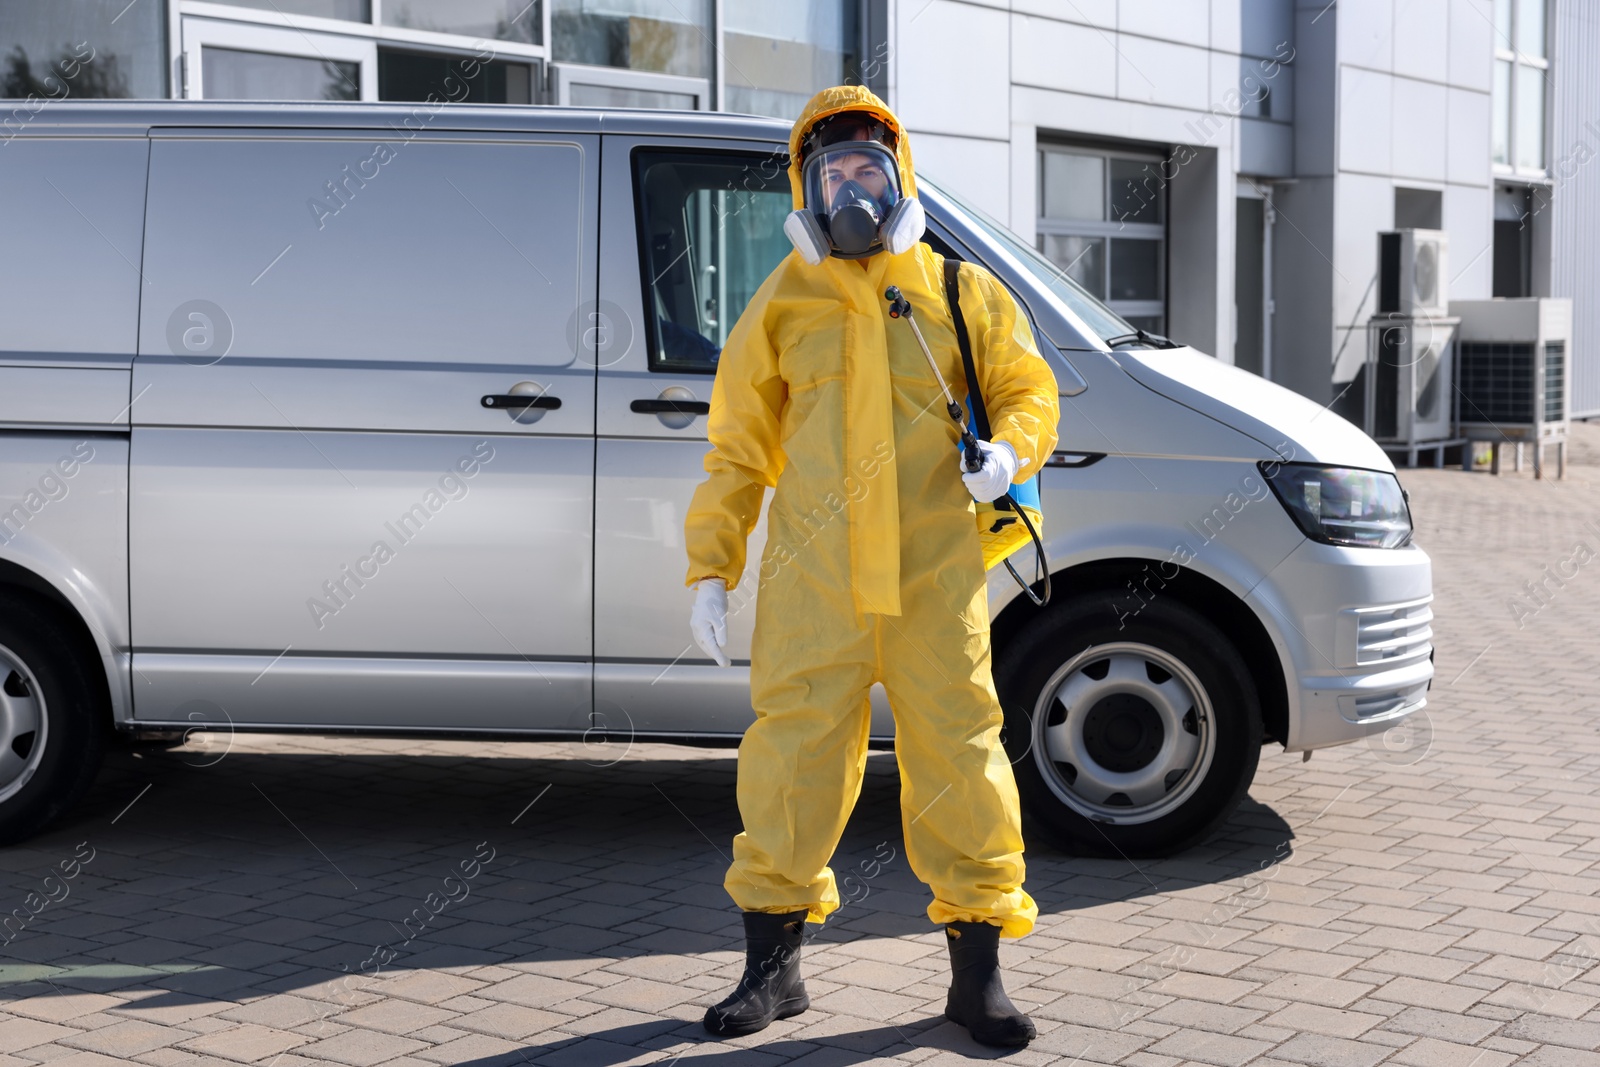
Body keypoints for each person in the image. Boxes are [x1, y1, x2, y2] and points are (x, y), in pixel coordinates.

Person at [683, 85, 1060, 1049]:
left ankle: (977, 979)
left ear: (901, 181)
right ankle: (773, 972)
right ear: (807, 194)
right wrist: (710, 568)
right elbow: (737, 450)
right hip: (817, 585)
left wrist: (1009, 456)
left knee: (961, 760)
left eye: (868, 171)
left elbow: (1028, 390)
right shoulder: (780, 302)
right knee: (792, 761)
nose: (852, 189)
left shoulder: (962, 294)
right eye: (833, 174)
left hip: (937, 578)